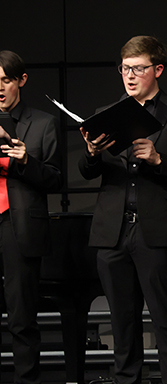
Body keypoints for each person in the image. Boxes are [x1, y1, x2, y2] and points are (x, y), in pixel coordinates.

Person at [78, 36, 167, 384]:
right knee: (122, 322)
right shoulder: (107, 114)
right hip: (113, 230)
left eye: (138, 68)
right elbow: (87, 171)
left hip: (157, 231)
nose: (130, 76)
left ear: (157, 69)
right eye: (125, 69)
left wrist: (160, 159)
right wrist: (91, 152)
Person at [0, 50, 62, 384]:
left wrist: (24, 161)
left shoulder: (42, 123)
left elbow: (55, 178)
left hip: (17, 223)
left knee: (22, 316)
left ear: (20, 81)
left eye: (5, 80)